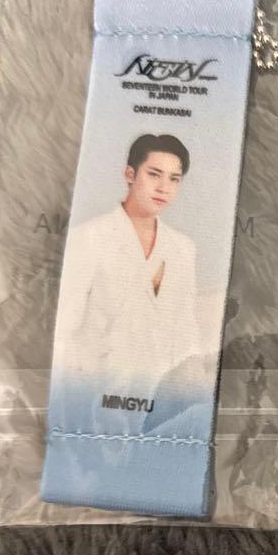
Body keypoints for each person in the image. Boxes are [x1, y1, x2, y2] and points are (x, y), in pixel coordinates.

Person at [51, 133, 203, 390]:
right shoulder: (88, 238)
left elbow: (187, 332)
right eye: (154, 174)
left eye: (174, 179)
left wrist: (190, 390)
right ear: (130, 174)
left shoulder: (183, 249)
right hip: (96, 391)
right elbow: (65, 329)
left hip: (163, 394)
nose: (164, 187)